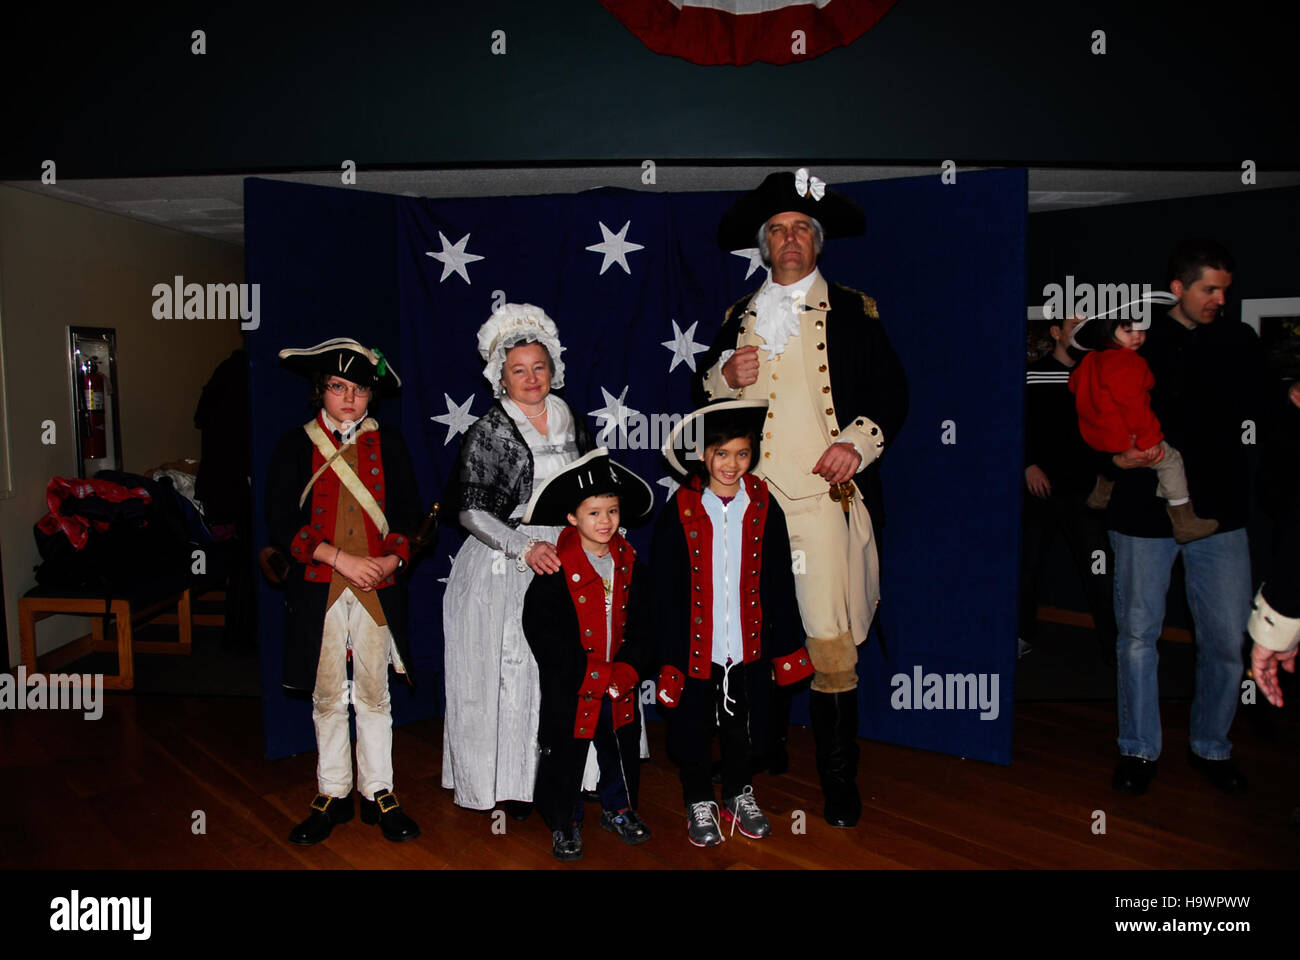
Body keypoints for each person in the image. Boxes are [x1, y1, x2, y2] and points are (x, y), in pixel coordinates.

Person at [694, 168, 908, 827]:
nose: (790, 239)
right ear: (763, 246)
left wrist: (857, 444)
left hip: (820, 503)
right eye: (778, 230)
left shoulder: (854, 310)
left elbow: (891, 396)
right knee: (754, 634)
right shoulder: (738, 317)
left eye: (801, 230)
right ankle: (768, 745)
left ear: (818, 243)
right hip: (750, 505)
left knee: (828, 642)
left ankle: (840, 782)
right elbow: (707, 412)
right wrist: (721, 375)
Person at [1105, 238, 1262, 797]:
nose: (1219, 298)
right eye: (1209, 289)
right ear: (1178, 288)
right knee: (1137, 638)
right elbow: (1098, 410)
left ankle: (1212, 747)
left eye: (1225, 289)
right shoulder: (1137, 344)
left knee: (1225, 642)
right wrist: (1116, 457)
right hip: (1143, 512)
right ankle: (1138, 749)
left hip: (1220, 514)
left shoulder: (1240, 340)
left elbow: (1265, 404)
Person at [441, 303, 595, 816]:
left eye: (539, 367)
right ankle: (507, 781)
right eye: (518, 370)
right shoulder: (490, 429)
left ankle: (562, 776)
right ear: (500, 377)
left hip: (569, 549)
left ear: (553, 367)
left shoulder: (569, 415)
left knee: (562, 668)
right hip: (505, 556)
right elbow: (469, 511)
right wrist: (523, 546)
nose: (531, 378)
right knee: (510, 666)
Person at [266, 338, 422, 844]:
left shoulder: (390, 444)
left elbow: (412, 518)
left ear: (371, 396)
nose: (349, 398)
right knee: (329, 696)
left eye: (359, 388)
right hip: (321, 587)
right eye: (338, 387)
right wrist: (340, 559)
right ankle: (332, 793)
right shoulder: (296, 444)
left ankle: (380, 791)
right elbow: (279, 522)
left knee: (375, 696)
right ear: (321, 392)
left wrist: (391, 558)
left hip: (377, 587)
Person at [654, 400, 812, 846]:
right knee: (693, 729)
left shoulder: (763, 504)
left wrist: (786, 643)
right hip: (695, 646)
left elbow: (780, 580)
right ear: (704, 456)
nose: (731, 464)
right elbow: (665, 590)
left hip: (747, 646)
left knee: (745, 728)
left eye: (742, 454)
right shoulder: (681, 507)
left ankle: (739, 793)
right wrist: (668, 653)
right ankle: (699, 798)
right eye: (721, 454)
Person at [520, 449, 656, 861]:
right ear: (572, 518)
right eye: (594, 512)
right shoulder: (555, 569)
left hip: (618, 683)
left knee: (618, 749)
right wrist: (582, 672)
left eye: (612, 511)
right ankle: (566, 821)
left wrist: (629, 668)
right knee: (566, 753)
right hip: (573, 683)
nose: (605, 522)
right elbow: (542, 630)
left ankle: (618, 808)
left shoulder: (630, 563)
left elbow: (646, 623)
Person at [1069, 312, 1217, 543]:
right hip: (1125, 435)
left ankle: (1100, 494)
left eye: (1141, 330)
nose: (1137, 336)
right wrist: (1149, 441)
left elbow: (1074, 385)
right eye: (1128, 331)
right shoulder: (1128, 361)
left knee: (1127, 466)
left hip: (1098, 437)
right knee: (1170, 460)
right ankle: (1185, 521)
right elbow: (1134, 406)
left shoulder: (1091, 359)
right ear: (1106, 332)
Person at [1020, 315, 1116, 662]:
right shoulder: (1031, 373)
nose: (1081, 331)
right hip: (1040, 492)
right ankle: (1021, 637)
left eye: (1086, 325)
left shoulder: (1098, 372)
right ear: (1056, 333)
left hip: (1085, 494)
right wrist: (1028, 465)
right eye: (1073, 325)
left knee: (1100, 572)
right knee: (1027, 568)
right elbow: (1017, 425)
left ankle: (1115, 648)